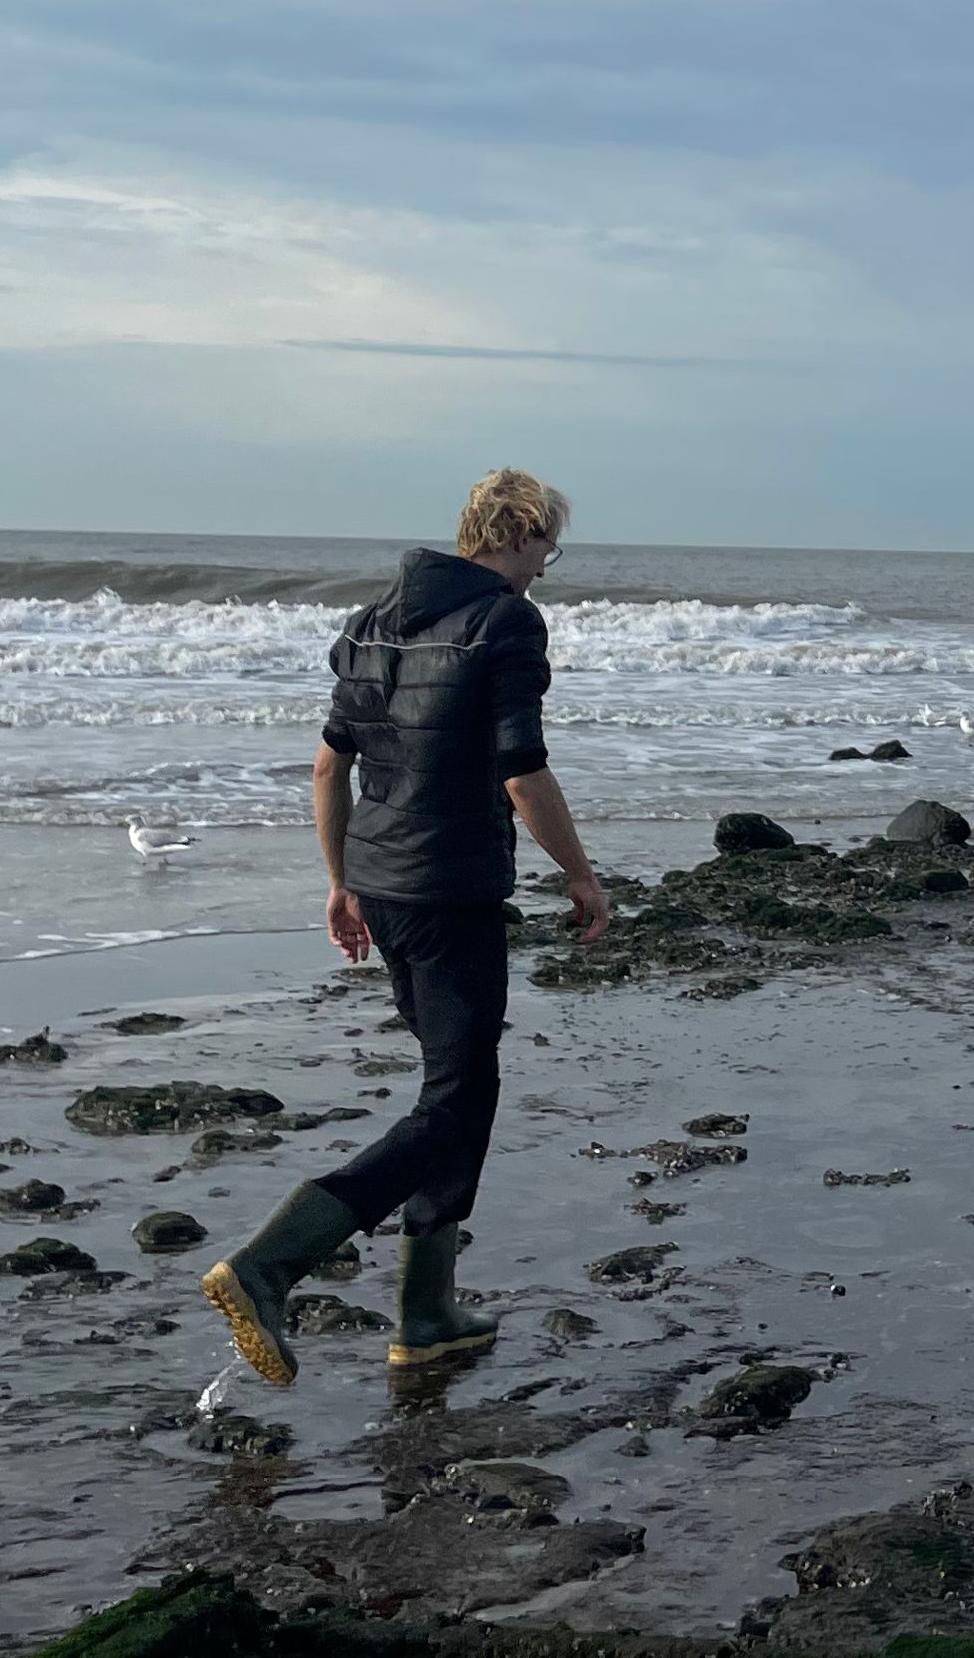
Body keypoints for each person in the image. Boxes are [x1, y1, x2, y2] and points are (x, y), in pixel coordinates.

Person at [203, 468, 614, 1383]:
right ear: (519, 530)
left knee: (459, 1090)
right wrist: (582, 876)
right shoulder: (505, 624)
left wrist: (341, 883)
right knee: (454, 1101)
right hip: (449, 891)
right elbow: (521, 771)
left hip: (383, 889)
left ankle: (427, 1314)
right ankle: (271, 1263)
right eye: (547, 548)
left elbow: (328, 767)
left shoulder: (370, 623)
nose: (544, 568)